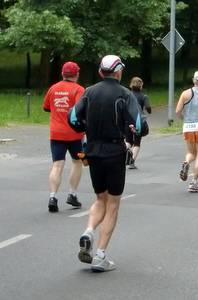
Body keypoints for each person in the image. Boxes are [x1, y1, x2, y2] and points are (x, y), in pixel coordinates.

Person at [69, 54, 148, 272]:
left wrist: (85, 127)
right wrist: (133, 129)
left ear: (100, 72)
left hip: (92, 151)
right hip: (114, 152)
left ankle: (88, 231)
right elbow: (140, 125)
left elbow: (73, 119)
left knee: (99, 198)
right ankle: (101, 255)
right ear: (119, 71)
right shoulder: (125, 94)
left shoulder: (89, 91)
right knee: (113, 203)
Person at [43, 61, 85, 213]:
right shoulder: (79, 90)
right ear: (77, 74)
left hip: (56, 134)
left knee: (57, 164)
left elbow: (46, 107)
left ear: (62, 73)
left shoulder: (53, 88)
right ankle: (72, 194)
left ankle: (52, 197)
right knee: (78, 161)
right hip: (75, 135)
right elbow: (81, 111)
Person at [126, 77, 151, 169]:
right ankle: (131, 162)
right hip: (138, 122)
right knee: (137, 142)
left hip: (127, 120)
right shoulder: (143, 96)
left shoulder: (127, 95)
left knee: (128, 141)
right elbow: (148, 109)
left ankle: (122, 156)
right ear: (141, 85)